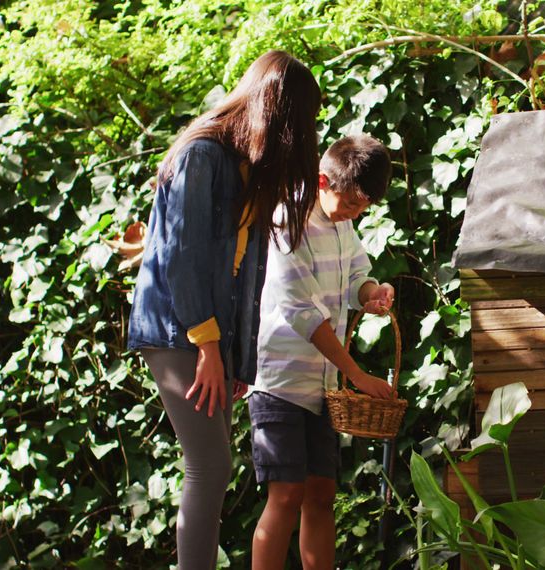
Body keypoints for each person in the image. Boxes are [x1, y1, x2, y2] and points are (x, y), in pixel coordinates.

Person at [126, 50, 321, 570]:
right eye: (302, 118)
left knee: (212, 466)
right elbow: (182, 257)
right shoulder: (202, 155)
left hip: (208, 339)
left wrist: (236, 357)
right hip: (177, 331)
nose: (306, 132)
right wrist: (210, 346)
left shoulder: (248, 170)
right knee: (209, 466)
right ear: (277, 110)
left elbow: (247, 273)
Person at [248, 135, 397, 570]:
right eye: (351, 203)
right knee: (287, 494)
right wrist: (357, 374)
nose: (356, 213)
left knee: (321, 495)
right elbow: (302, 312)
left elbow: (357, 276)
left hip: (323, 386)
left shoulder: (343, 222)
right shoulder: (285, 222)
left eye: (363, 207)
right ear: (322, 181)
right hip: (280, 382)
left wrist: (373, 293)